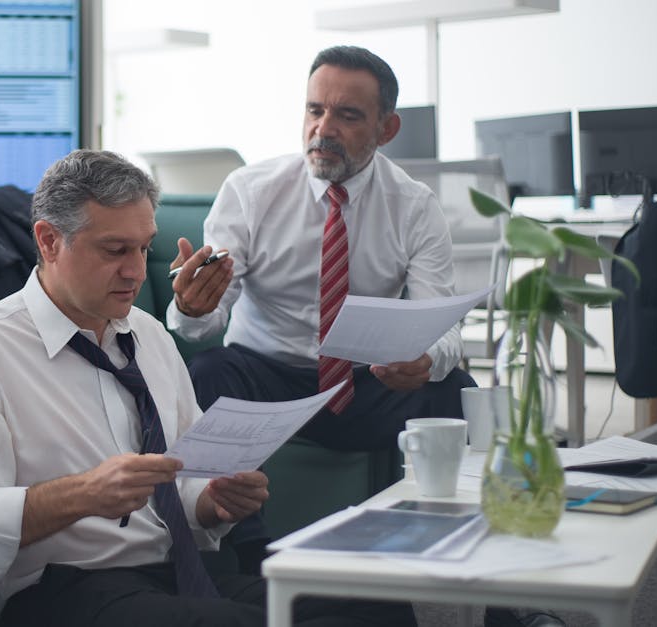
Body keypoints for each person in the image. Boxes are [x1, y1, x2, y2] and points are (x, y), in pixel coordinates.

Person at [0, 149, 417, 627]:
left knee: (382, 604)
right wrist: (80, 495)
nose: (135, 271)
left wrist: (214, 500)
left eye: (144, 248)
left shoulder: (147, 334)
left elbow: (189, 477)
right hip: (64, 589)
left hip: (177, 577)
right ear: (48, 241)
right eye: (115, 250)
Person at [164, 45, 476, 573]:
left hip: (363, 384)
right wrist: (192, 308)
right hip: (265, 379)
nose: (323, 129)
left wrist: (425, 358)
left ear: (387, 127)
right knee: (207, 373)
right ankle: (252, 566)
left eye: (347, 115)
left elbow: (442, 324)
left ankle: (496, 593)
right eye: (315, 110)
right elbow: (206, 324)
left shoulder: (415, 205)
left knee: (462, 395)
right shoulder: (251, 191)